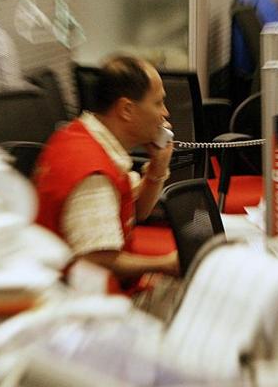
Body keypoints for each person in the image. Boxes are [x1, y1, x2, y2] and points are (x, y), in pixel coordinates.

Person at [34, 55, 179, 288]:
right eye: (158, 103)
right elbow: (95, 261)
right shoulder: (94, 175)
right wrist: (163, 264)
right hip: (84, 307)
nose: (165, 113)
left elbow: (137, 212)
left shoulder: (81, 134)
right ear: (127, 110)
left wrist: (158, 167)